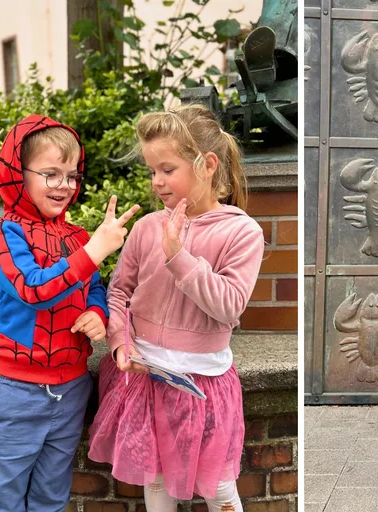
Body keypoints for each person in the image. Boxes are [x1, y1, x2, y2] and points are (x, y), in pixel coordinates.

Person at [88, 105, 265, 511]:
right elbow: (119, 292)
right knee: (156, 480)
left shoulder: (242, 232)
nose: (157, 181)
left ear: (207, 165)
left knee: (219, 488)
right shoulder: (147, 227)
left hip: (203, 383)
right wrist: (120, 342)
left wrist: (177, 255)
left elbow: (229, 306)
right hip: (145, 377)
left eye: (167, 169)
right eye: (152, 171)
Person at [0, 115, 138, 511]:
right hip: (15, 391)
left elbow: (94, 286)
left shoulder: (77, 237)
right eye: (50, 174)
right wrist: (95, 250)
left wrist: (97, 313)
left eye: (71, 176)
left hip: (71, 389)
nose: (64, 185)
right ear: (18, 174)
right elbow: (33, 289)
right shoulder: (2, 234)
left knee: (51, 498)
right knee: (2, 499)